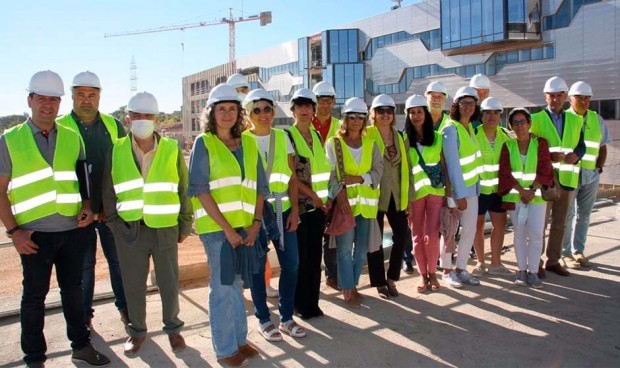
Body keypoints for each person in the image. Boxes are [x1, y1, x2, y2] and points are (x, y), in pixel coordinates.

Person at [0, 70, 109, 367]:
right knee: (34, 298)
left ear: (60, 102)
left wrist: (87, 204)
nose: (47, 105)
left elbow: (82, 178)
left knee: (74, 292)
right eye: (41, 99)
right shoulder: (10, 140)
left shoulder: (73, 137)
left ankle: (81, 347)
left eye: (53, 99)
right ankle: (35, 358)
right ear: (30, 100)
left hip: (72, 230)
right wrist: (14, 232)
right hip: (33, 236)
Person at [102, 91, 191, 356]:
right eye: (137, 115)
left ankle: (173, 329)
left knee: (169, 282)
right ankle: (137, 332)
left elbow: (183, 188)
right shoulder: (115, 149)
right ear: (127, 119)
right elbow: (108, 191)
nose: (143, 120)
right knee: (133, 284)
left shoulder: (171, 149)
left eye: (148, 115)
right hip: (129, 229)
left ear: (156, 118)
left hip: (164, 228)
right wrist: (114, 224)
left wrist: (185, 224)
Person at [188, 84, 266, 367]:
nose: (227, 114)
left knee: (237, 285)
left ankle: (240, 341)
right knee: (223, 287)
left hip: (246, 227)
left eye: (232, 108)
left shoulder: (248, 143)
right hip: (218, 230)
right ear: (211, 113)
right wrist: (228, 230)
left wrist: (256, 223)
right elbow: (200, 189)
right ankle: (224, 349)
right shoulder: (204, 143)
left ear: (239, 113)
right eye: (221, 108)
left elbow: (260, 187)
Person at [56, 71, 128, 328]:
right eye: (80, 95)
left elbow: (124, 167)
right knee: (83, 268)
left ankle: (126, 309)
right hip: (77, 215)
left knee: (118, 263)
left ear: (99, 96)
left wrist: (114, 206)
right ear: (72, 96)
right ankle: (84, 316)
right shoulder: (60, 126)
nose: (86, 100)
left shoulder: (113, 125)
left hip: (110, 212)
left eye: (92, 95)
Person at [243, 88, 307, 341]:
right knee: (257, 267)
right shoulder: (241, 140)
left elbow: (292, 178)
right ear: (248, 114)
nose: (262, 114)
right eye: (256, 110)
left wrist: (294, 212)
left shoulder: (282, 137)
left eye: (267, 109)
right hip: (256, 212)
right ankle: (264, 318)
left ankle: (287, 317)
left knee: (291, 264)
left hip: (283, 209)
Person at [326, 97, 383, 308]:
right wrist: (340, 196)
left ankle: (352, 284)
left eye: (361, 117)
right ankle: (348, 289)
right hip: (345, 206)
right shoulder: (334, 143)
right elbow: (330, 175)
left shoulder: (371, 144)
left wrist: (360, 179)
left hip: (366, 206)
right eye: (353, 117)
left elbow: (379, 170)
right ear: (345, 119)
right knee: (343, 249)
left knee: (360, 250)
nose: (357, 120)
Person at [530, 76, 585, 277]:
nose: (555, 99)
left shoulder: (576, 119)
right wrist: (547, 155)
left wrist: (577, 155)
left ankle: (553, 260)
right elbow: (526, 145)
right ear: (545, 97)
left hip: (568, 179)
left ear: (565, 96)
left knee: (560, 223)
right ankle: (536, 262)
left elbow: (582, 144)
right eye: (551, 95)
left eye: (559, 95)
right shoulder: (535, 120)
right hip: (546, 180)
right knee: (540, 224)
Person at [288, 88, 332, 320]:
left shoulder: (316, 136)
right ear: (293, 110)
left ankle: (311, 304)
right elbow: (290, 174)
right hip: (300, 208)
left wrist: (324, 198)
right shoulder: (288, 136)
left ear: (313, 110)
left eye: (308, 106)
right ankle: (299, 304)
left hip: (318, 208)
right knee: (301, 259)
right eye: (299, 106)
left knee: (315, 259)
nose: (304, 110)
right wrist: (312, 196)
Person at [498, 108, 554, 288]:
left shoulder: (541, 143)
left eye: (523, 122)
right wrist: (522, 191)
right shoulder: (508, 146)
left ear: (529, 124)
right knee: (519, 234)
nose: (520, 125)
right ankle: (522, 271)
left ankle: (534, 272)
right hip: (516, 198)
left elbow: (546, 169)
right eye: (515, 122)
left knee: (537, 235)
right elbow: (505, 172)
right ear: (511, 126)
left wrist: (531, 190)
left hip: (536, 198)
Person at [562, 81, 611, 268]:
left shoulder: (596, 119)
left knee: (585, 215)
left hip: (590, 175)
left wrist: (599, 168)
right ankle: (565, 253)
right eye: (579, 98)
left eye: (587, 98)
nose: (583, 101)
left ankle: (578, 251)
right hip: (569, 174)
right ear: (571, 99)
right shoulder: (564, 118)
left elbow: (603, 146)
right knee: (567, 214)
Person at [365, 94, 409, 298]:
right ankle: (379, 282)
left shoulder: (399, 136)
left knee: (401, 236)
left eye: (389, 111)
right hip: (374, 195)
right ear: (373, 114)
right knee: (375, 240)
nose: (385, 115)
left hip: (397, 195)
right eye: (380, 111)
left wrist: (408, 196)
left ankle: (392, 277)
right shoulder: (367, 134)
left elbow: (405, 167)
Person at [440, 86, 483, 288]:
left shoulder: (470, 128)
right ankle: (447, 271)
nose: (468, 107)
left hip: (473, 189)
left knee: (470, 230)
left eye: (471, 103)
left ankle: (461, 268)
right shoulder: (450, 128)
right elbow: (452, 164)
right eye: (464, 103)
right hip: (459, 192)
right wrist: (458, 194)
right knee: (450, 231)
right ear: (456, 105)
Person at [404, 94, 445, 292]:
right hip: (415, 195)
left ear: (425, 114)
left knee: (432, 235)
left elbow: (444, 165)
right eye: (412, 112)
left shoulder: (437, 137)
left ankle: (433, 273)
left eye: (419, 111)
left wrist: (451, 193)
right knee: (417, 236)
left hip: (436, 192)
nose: (416, 115)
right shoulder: (404, 140)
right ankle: (423, 275)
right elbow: (403, 171)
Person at [471, 97, 514, 277]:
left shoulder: (505, 136)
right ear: (481, 115)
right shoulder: (473, 134)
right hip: (478, 191)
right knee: (477, 226)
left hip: (498, 191)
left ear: (500, 115)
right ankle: (480, 262)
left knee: (500, 225)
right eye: (488, 112)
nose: (492, 116)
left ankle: (496, 263)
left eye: (496, 112)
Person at [311, 81, 341, 291]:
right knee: (312, 238)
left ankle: (332, 275)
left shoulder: (340, 126)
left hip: (333, 188)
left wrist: (332, 194)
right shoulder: (305, 124)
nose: (324, 104)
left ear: (333, 102)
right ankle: (312, 279)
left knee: (332, 237)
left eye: (328, 100)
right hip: (309, 191)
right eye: (321, 100)